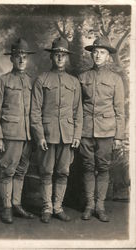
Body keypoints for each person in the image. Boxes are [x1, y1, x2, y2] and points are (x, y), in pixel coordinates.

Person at [31, 37, 83, 223]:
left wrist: (76, 135)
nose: (60, 58)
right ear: (51, 57)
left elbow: (78, 111)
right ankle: (47, 207)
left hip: (67, 136)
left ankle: (58, 207)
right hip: (47, 135)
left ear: (67, 58)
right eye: (56, 54)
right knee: (46, 172)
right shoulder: (41, 79)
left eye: (63, 55)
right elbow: (35, 111)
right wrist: (39, 137)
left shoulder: (74, 82)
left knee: (63, 172)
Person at [0, 38, 36, 224]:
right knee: (8, 171)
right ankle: (6, 208)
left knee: (21, 171)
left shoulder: (31, 81)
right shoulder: (2, 81)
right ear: (12, 59)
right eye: (18, 56)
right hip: (10, 134)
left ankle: (17, 205)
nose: (22, 60)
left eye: (24, 57)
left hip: (28, 136)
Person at [78, 36, 125, 222]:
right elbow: (77, 107)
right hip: (86, 130)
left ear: (108, 56)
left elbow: (120, 110)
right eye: (95, 52)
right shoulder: (82, 77)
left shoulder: (115, 79)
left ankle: (100, 206)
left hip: (107, 131)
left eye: (102, 52)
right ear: (92, 54)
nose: (98, 55)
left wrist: (119, 136)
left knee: (103, 168)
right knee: (88, 167)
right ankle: (90, 205)